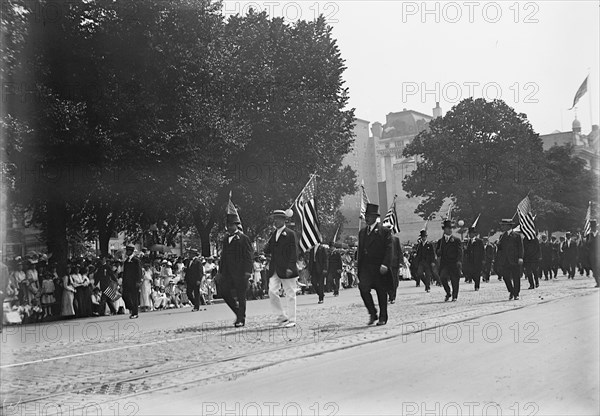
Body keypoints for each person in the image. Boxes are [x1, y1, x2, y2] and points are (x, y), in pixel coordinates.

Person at [357, 203, 393, 326]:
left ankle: (383, 317)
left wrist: (385, 264)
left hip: (379, 267)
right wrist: (359, 269)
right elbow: (360, 251)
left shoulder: (384, 231)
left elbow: (389, 249)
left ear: (375, 218)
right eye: (366, 216)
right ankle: (372, 312)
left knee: (381, 292)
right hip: (366, 268)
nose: (367, 218)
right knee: (363, 288)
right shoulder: (362, 233)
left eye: (369, 216)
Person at [264, 209, 299, 328]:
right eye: (274, 219)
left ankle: (292, 319)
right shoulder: (274, 234)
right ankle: (281, 316)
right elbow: (268, 250)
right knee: (272, 291)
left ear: (284, 220)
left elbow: (294, 252)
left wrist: (290, 266)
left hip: (287, 268)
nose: (276, 221)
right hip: (275, 268)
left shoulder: (290, 233)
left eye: (278, 219)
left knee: (290, 293)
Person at [219, 212, 253, 327]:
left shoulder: (243, 238)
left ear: (236, 225)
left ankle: (240, 319)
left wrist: (248, 271)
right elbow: (223, 257)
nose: (229, 227)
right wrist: (220, 272)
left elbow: (248, 256)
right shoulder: (225, 239)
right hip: (227, 273)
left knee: (241, 296)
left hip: (240, 272)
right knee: (224, 292)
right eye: (227, 225)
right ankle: (238, 311)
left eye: (231, 225)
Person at [496, 219, 524, 300]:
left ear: (509, 226)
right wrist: (498, 245)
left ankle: (516, 293)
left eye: (504, 225)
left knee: (516, 277)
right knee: (505, 277)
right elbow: (501, 249)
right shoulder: (502, 236)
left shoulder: (517, 236)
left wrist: (520, 257)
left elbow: (520, 248)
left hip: (515, 260)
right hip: (505, 260)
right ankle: (511, 291)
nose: (502, 227)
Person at [436, 220, 463, 302]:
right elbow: (437, 253)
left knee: (455, 280)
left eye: (451, 228)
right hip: (445, 264)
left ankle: (455, 296)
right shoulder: (441, 242)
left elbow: (460, 252)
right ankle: (448, 292)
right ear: (444, 230)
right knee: (442, 277)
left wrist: (459, 261)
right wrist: (438, 252)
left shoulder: (456, 240)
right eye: (448, 228)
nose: (450, 230)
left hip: (454, 263)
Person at [122, 244, 143, 319]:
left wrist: (138, 281)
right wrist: (123, 282)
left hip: (134, 282)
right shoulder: (126, 261)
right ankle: (131, 308)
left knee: (134, 297)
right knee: (125, 295)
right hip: (127, 282)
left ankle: (135, 313)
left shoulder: (136, 260)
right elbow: (124, 272)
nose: (126, 252)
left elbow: (139, 271)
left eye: (127, 251)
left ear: (131, 251)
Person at [464, 226, 485, 291]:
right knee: (471, 273)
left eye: (471, 233)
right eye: (469, 233)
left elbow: (482, 251)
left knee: (477, 273)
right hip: (470, 260)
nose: (470, 235)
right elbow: (467, 251)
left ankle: (477, 286)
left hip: (478, 260)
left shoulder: (479, 241)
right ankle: (474, 280)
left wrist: (483, 259)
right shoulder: (468, 242)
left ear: (474, 234)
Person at [386, 230, 402, 303]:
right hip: (386, 264)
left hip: (395, 263)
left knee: (395, 281)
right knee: (387, 280)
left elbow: (399, 251)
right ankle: (390, 296)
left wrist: (401, 262)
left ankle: (393, 296)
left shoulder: (396, 239)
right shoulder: (383, 240)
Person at [586, 219, 599, 288]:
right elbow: (586, 246)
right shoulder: (589, 235)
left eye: (594, 227)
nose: (593, 228)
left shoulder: (599, 235)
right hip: (592, 255)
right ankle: (598, 282)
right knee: (594, 269)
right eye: (592, 227)